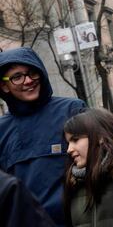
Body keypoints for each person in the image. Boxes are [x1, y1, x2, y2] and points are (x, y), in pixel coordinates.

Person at [0, 47, 86, 226]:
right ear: (3, 86)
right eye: (17, 77)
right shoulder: (1, 130)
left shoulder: (72, 110)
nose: (29, 81)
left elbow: (103, 159)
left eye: (33, 73)